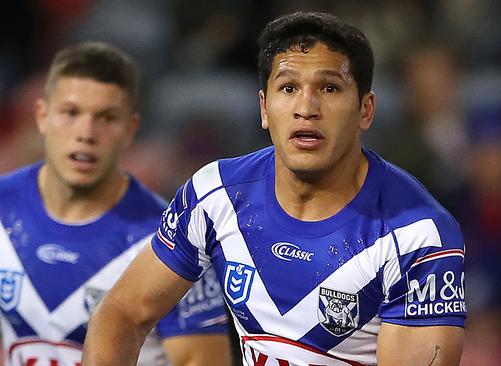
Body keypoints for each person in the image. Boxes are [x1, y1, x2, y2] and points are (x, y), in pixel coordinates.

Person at [83, 12, 466, 365]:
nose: (306, 107)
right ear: (264, 109)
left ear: (365, 110)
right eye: (288, 88)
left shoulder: (418, 236)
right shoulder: (216, 195)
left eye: (330, 88)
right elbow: (122, 312)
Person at [0, 42, 231, 366]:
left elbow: (203, 361)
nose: (86, 132)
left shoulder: (172, 238)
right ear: (42, 116)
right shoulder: (4, 208)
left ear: (130, 130)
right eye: (71, 113)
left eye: (106, 117)